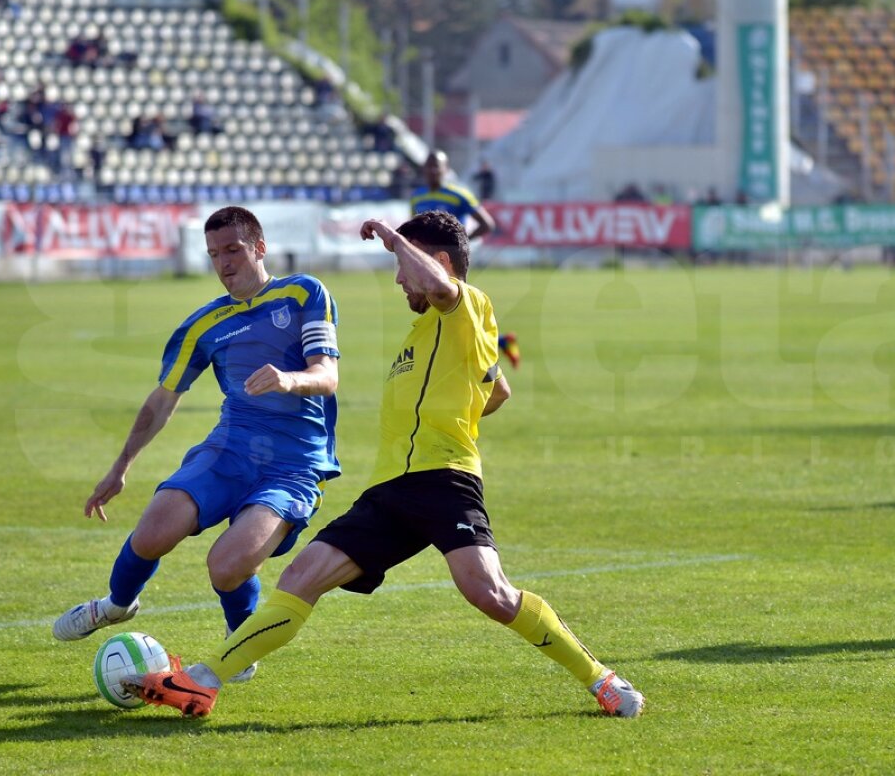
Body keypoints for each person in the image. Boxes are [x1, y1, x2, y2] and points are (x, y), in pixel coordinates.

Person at [124, 211, 644, 719]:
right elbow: (498, 389)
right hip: (391, 490)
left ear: (434, 261)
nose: (399, 280)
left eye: (403, 268)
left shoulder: (465, 304)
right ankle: (202, 681)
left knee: (490, 593)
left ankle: (601, 679)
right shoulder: (432, 332)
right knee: (301, 577)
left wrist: (394, 238)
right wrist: (463, 402)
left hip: (445, 481)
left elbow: (441, 289)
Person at [52, 206, 342, 688]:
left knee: (226, 565)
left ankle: (238, 639)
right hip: (227, 452)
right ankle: (115, 606)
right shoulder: (204, 325)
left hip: (293, 466)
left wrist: (288, 380)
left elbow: (327, 375)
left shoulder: (303, 292)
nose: (224, 263)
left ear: (259, 248)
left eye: (233, 250)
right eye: (214, 254)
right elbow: (163, 398)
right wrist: (121, 465)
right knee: (151, 533)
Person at [411, 151, 520, 368]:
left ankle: (487, 368)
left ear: (446, 169)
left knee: (455, 314)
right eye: (429, 166)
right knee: (446, 316)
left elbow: (486, 223)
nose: (433, 171)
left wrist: (458, 244)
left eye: (437, 166)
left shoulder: (459, 195)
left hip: (449, 266)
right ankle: (498, 344)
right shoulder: (418, 196)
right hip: (426, 267)